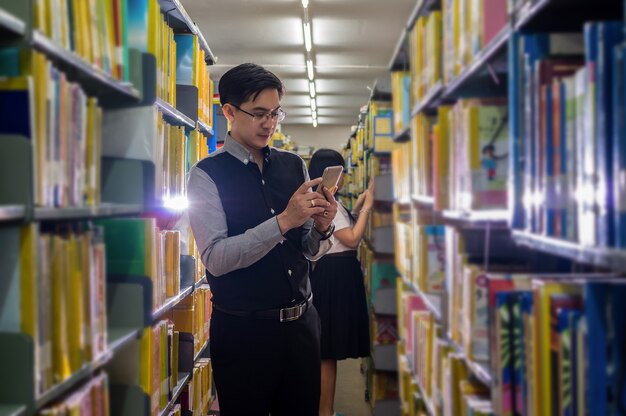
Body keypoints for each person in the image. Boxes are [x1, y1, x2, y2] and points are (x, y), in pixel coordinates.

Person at [187, 63, 338, 416]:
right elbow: (217, 258)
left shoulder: (292, 166)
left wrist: (321, 228)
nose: (270, 123)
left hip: (302, 326)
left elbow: (306, 250)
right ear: (228, 111)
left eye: (275, 113)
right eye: (258, 114)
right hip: (244, 332)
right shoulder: (206, 175)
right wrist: (285, 220)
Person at [307, 149, 373, 416]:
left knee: (328, 352)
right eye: (341, 172)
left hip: (335, 275)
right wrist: (368, 207)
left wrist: (357, 206)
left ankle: (326, 410)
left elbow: (345, 225)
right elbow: (352, 238)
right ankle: (326, 412)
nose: (344, 178)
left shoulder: (329, 200)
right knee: (327, 353)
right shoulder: (324, 203)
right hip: (334, 277)